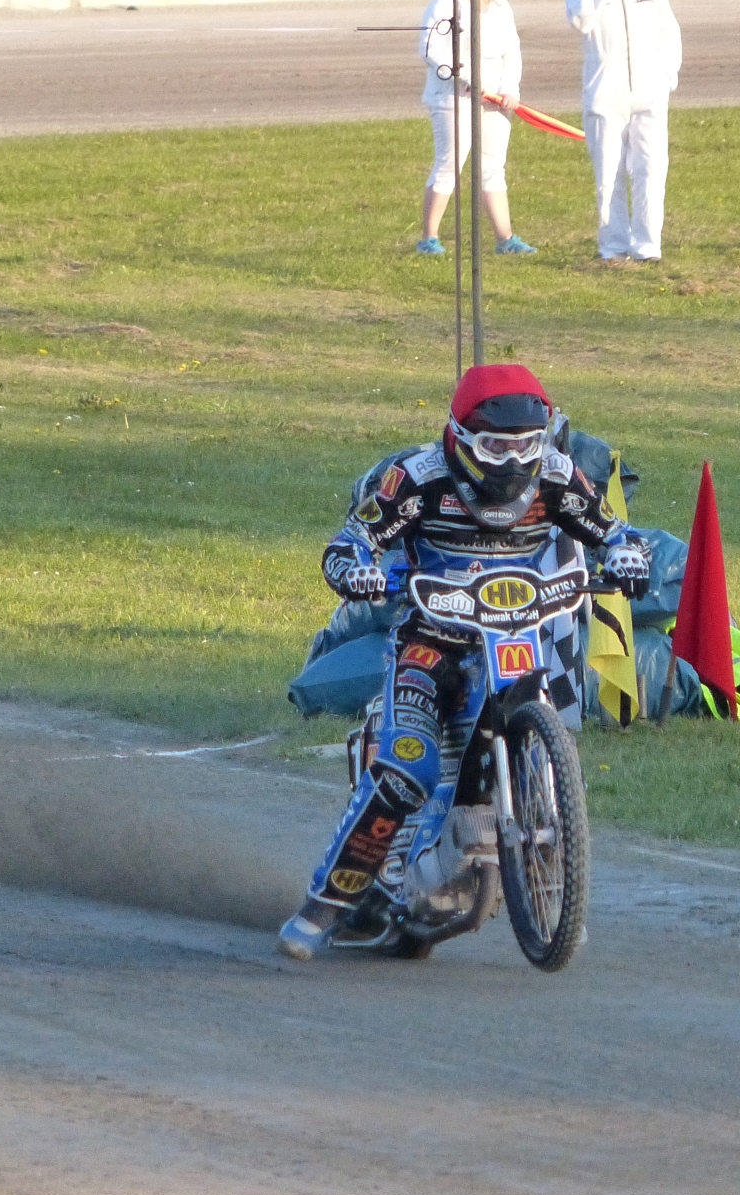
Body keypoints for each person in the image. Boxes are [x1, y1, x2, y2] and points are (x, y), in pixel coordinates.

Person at [277, 363, 652, 960]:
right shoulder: (417, 478)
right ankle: (326, 904)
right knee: (407, 768)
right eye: (497, 447)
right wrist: (358, 571)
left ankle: (552, 889)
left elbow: (614, 532)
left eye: (526, 445)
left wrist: (628, 556)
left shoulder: (558, 475)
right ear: (462, 438)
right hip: (431, 642)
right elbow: (351, 541)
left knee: (553, 750)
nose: (513, 461)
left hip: (515, 635)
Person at [565, 0, 681, 262]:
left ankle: (648, 246)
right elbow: (581, 20)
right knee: (609, 173)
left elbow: (668, 29)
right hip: (605, 94)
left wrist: (666, 77)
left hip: (650, 92)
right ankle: (613, 247)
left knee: (650, 167)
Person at [417, 0, 535, 257]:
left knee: (492, 167)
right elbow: (429, 48)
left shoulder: (499, 3)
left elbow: (512, 49)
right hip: (453, 96)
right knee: (449, 165)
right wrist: (469, 77)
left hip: (495, 99)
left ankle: (506, 239)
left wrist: (509, 89)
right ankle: (429, 239)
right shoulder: (444, 3)